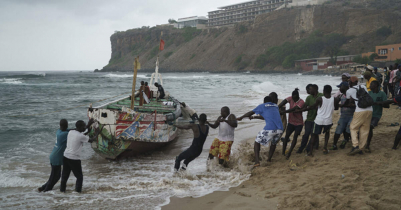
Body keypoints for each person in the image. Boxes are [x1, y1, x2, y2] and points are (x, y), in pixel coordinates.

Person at [237, 96, 283, 167]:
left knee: (257, 141)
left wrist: (241, 117)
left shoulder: (262, 106)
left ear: (264, 102)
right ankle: (269, 159)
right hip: (280, 129)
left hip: (270, 129)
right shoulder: (275, 106)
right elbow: (266, 116)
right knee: (273, 143)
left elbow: (250, 112)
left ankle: (257, 161)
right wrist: (254, 117)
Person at [60, 119, 102, 193]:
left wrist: (88, 127)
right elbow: (91, 140)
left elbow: (81, 135)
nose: (84, 128)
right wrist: (97, 132)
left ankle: (62, 191)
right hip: (74, 159)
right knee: (79, 177)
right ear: (80, 127)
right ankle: (78, 192)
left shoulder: (71, 132)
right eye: (83, 126)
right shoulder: (80, 136)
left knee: (65, 176)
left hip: (66, 156)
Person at [299, 85, 339, 156]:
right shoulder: (335, 99)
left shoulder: (320, 99)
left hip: (319, 120)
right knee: (327, 134)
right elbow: (336, 108)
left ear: (323, 91)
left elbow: (313, 106)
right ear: (331, 91)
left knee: (314, 135)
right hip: (328, 121)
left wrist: (304, 109)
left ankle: (310, 152)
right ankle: (325, 148)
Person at [38, 119, 71, 192]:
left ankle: (43, 188)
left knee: (54, 176)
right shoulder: (64, 134)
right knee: (55, 177)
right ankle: (46, 191)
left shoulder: (59, 131)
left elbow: (70, 130)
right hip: (56, 157)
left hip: (54, 156)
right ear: (66, 125)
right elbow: (74, 132)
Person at [343, 76, 373, 156]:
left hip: (360, 110)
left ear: (351, 82)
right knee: (365, 129)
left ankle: (355, 146)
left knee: (353, 127)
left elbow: (348, 101)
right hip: (370, 109)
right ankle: (361, 148)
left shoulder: (349, 90)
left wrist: (342, 105)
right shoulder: (363, 86)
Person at [296, 84, 324, 153]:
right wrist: (299, 110)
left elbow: (321, 106)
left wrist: (309, 108)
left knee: (313, 134)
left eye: (310, 89)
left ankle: (308, 148)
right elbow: (305, 107)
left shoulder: (321, 96)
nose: (309, 91)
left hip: (318, 119)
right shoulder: (309, 97)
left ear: (315, 89)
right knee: (306, 134)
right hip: (309, 118)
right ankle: (301, 148)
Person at [278, 88, 305, 159]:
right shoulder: (291, 98)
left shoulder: (301, 102)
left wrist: (284, 112)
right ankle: (283, 152)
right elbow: (283, 102)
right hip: (291, 122)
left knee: (295, 137)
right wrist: (278, 107)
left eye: (295, 98)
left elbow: (293, 109)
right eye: (293, 98)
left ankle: (289, 153)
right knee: (286, 136)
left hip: (299, 123)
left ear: (298, 96)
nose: (294, 100)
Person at [365, 80, 388, 153]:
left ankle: (367, 145)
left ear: (375, 85)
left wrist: (378, 103)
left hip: (376, 115)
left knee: (371, 127)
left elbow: (387, 105)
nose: (369, 86)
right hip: (368, 114)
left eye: (371, 85)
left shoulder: (382, 94)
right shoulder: (369, 93)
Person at [332, 83, 355, 150]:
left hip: (352, 115)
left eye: (340, 87)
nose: (339, 89)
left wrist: (343, 105)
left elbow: (355, 105)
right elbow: (336, 107)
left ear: (345, 87)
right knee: (338, 129)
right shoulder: (341, 95)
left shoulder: (352, 95)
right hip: (343, 116)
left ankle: (346, 140)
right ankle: (334, 145)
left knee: (348, 128)